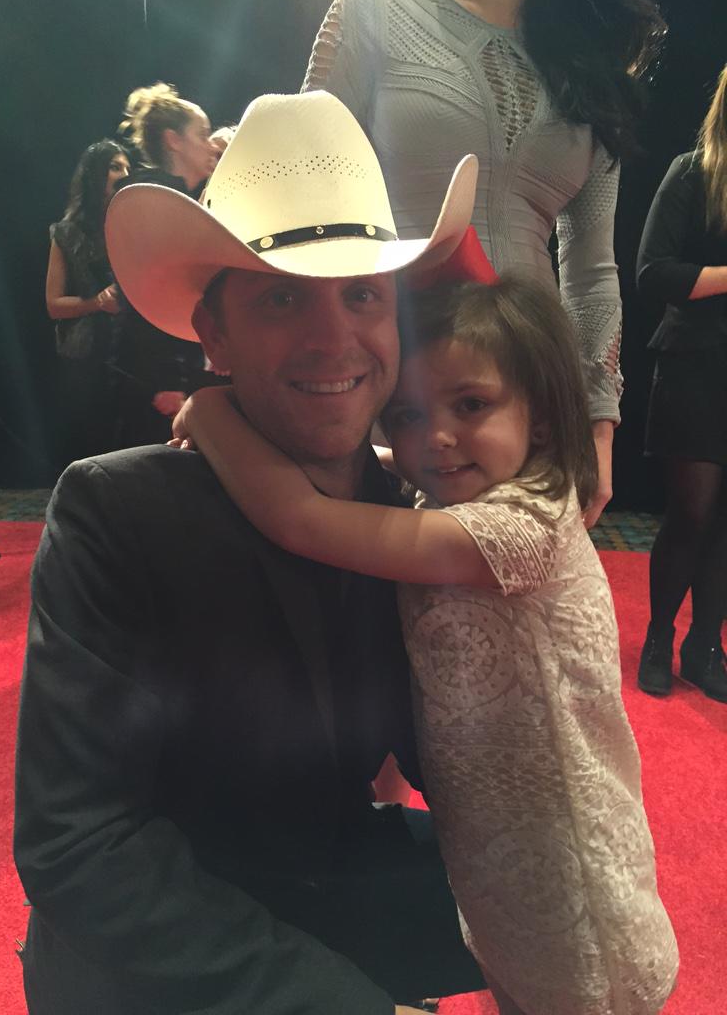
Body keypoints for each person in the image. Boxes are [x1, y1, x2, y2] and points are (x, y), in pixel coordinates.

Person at [14, 90, 487, 1015]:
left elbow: (455, 760)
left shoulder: (408, 511)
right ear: (214, 334)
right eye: (282, 297)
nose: (334, 337)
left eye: (362, 295)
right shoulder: (116, 511)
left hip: (330, 876)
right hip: (160, 946)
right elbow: (80, 844)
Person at [171, 271, 679, 1015]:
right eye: (406, 416)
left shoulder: (521, 529)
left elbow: (300, 519)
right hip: (491, 849)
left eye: (470, 405)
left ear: (540, 419)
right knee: (515, 983)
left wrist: (212, 411)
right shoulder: (448, 495)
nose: (435, 438)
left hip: (569, 867)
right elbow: (377, 465)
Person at [303, 0, 667, 531]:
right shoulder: (373, 8)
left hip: (532, 388)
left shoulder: (590, 53)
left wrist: (597, 427)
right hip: (396, 373)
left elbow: (591, 271)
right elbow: (304, 198)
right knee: (368, 562)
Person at [635, 64, 727, 703]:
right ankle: (659, 637)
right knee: (692, 513)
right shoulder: (691, 173)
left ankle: (705, 647)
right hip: (695, 361)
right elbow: (652, 273)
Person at [110, 82, 220, 447]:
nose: (210, 145)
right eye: (202, 134)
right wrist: (165, 380)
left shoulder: (182, 198)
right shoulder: (151, 199)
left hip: (176, 371)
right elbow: (148, 295)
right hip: (156, 378)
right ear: (174, 140)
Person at [45, 139, 130, 466]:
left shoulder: (131, 223)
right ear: (95, 174)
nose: (124, 174)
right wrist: (96, 302)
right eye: (115, 167)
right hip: (86, 355)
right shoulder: (67, 233)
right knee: (92, 442)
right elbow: (54, 304)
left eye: (127, 167)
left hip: (130, 350)